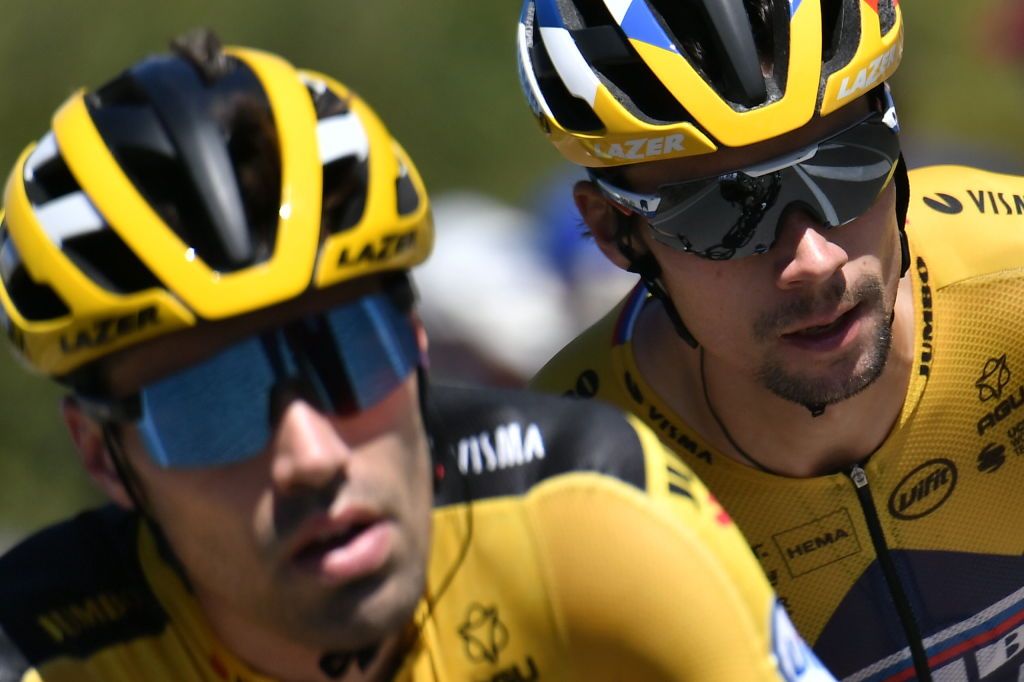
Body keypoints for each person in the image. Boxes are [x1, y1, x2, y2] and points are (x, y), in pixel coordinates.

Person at [0, 31, 834, 682]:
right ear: (102, 456)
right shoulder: (35, 652)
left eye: (351, 352)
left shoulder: (591, 511)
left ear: (419, 342)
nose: (311, 455)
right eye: (211, 403)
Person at [517, 1, 1024, 680]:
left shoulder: (1014, 275)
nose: (813, 259)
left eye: (847, 163)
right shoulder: (560, 503)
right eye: (724, 210)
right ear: (615, 231)